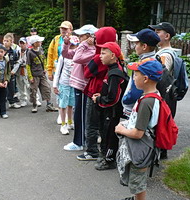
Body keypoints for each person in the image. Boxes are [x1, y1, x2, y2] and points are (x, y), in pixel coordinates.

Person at [115, 60, 163, 200]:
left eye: (135, 75)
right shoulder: (153, 95)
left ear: (145, 78)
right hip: (144, 147)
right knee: (137, 178)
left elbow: (138, 133)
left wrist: (121, 129)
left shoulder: (147, 102)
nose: (133, 77)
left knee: (137, 181)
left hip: (141, 149)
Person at [61, 24, 98, 151]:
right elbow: (66, 54)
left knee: (81, 115)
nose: (79, 37)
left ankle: (79, 142)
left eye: (82, 35)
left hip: (83, 86)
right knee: (79, 113)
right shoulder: (85, 48)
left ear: (89, 37)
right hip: (78, 84)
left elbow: (76, 58)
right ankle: (80, 140)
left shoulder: (92, 50)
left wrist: (83, 45)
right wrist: (66, 43)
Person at [92, 42, 126, 170]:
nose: (100, 56)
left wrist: (99, 99)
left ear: (113, 55)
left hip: (112, 112)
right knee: (105, 133)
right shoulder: (112, 69)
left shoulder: (115, 73)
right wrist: (101, 94)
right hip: (109, 111)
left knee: (110, 135)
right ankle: (105, 156)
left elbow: (113, 98)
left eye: (103, 53)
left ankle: (109, 160)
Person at [148, 22, 177, 160]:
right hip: (166, 96)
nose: (155, 34)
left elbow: (160, 75)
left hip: (162, 96)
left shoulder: (165, 55)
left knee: (160, 125)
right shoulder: (163, 52)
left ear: (167, 36)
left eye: (158, 32)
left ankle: (160, 153)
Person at [122, 29, 160, 117]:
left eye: (136, 44)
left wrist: (125, 99)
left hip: (137, 109)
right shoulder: (155, 61)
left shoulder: (145, 65)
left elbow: (136, 91)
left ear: (144, 46)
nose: (134, 47)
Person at [53, 36, 79, 134]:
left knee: (71, 104)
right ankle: (63, 125)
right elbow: (58, 71)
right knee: (63, 104)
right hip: (64, 83)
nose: (73, 47)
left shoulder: (77, 56)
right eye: (71, 45)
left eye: (75, 45)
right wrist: (55, 85)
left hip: (73, 83)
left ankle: (69, 121)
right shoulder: (63, 57)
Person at [26, 35, 58, 113]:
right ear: (34, 43)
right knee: (33, 91)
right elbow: (28, 65)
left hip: (42, 74)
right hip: (34, 75)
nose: (40, 42)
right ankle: (34, 105)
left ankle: (49, 105)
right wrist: (30, 76)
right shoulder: (30, 52)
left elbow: (43, 59)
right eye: (38, 41)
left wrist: (45, 68)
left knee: (46, 88)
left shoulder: (41, 49)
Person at [3, 33, 21, 108]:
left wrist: (14, 70)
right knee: (3, 89)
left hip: (11, 73)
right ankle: (2, 104)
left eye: (7, 41)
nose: (5, 42)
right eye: (4, 40)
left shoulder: (13, 52)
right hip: (3, 74)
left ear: (11, 42)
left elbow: (17, 62)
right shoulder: (0, 51)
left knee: (12, 88)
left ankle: (12, 102)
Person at [12, 37, 30, 107]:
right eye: (21, 43)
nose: (22, 45)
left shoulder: (29, 51)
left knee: (29, 85)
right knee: (20, 86)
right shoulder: (16, 52)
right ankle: (23, 100)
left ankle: (35, 99)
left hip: (26, 69)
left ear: (26, 44)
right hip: (18, 70)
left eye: (23, 43)